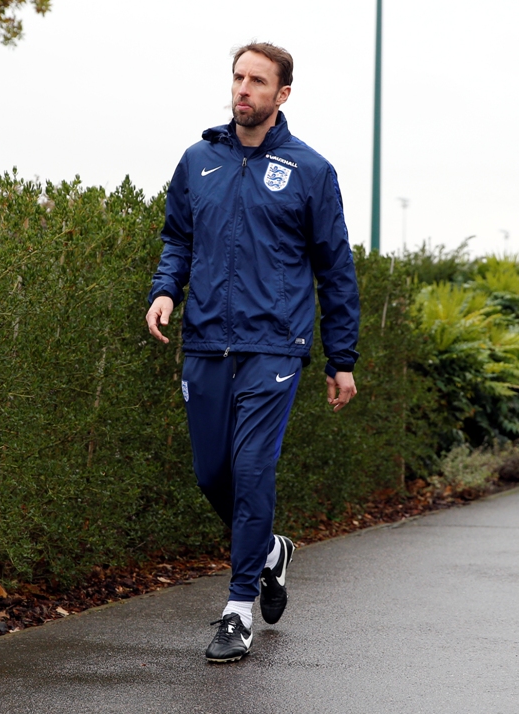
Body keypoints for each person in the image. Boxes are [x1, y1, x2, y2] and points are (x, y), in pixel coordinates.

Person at [145, 42, 360, 662]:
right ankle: (269, 551)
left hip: (274, 346)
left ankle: (237, 609)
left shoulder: (310, 171)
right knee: (212, 474)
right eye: (238, 78)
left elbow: (335, 270)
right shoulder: (197, 162)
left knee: (253, 471)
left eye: (257, 81)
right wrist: (165, 291)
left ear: (281, 95)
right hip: (207, 340)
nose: (243, 89)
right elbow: (178, 239)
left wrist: (339, 359)